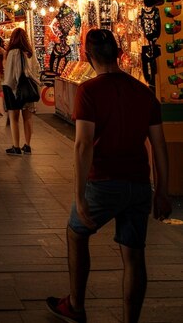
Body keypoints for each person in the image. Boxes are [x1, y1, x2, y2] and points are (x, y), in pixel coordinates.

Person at [47, 29, 171, 323]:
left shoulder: (89, 90)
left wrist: (79, 195)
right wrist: (161, 191)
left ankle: (76, 306)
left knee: (76, 233)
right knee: (134, 254)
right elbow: (159, 145)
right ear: (118, 53)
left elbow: (83, 144)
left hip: (103, 182)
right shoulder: (144, 92)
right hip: (139, 183)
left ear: (88, 57)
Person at [2, 27, 40, 155]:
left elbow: (10, 74)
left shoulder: (12, 53)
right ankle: (27, 145)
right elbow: (36, 70)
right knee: (28, 118)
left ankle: (16, 146)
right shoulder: (30, 52)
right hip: (28, 89)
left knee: (14, 118)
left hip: (14, 89)